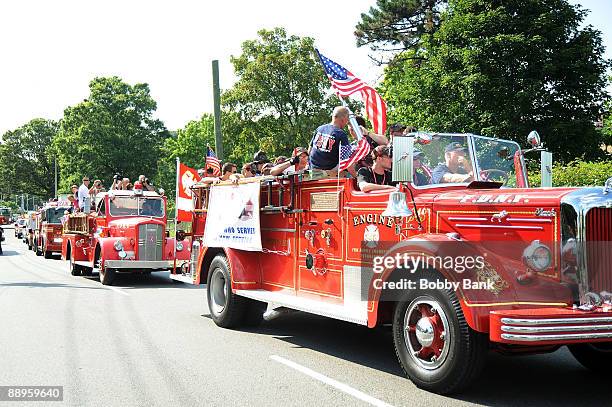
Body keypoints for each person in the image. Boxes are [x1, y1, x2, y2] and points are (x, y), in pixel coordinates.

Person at [309, 106, 351, 174]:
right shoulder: (341, 134)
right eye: (347, 119)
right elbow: (346, 159)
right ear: (343, 119)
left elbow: (310, 149)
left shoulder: (320, 128)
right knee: (349, 172)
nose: (347, 122)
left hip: (312, 171)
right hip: (329, 173)